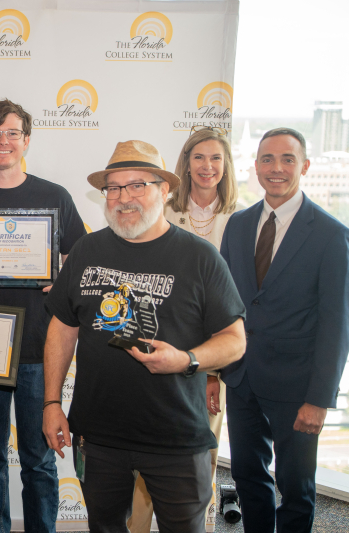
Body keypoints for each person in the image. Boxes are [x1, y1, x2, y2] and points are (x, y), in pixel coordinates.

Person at [42, 140, 246, 532]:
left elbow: (235, 339)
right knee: (104, 526)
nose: (124, 198)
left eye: (138, 185)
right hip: (99, 435)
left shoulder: (200, 257)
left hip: (177, 436)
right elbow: (63, 327)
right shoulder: (86, 250)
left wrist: (186, 360)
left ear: (165, 189)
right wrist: (52, 402)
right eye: (114, 188)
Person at [0, 99, 87, 532]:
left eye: (12, 133)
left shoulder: (54, 196)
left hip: (40, 347)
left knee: (38, 459)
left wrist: (58, 275)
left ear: (26, 140)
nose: (2, 141)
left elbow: (81, 263)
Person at [220, 127, 349, 532]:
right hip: (241, 378)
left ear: (305, 166)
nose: (276, 168)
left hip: (297, 388)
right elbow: (223, 306)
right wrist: (213, 372)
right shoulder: (238, 225)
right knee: (247, 476)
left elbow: (337, 324)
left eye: (287, 159)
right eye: (268, 159)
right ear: (256, 167)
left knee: (296, 487)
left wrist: (319, 399)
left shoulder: (331, 235)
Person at [128, 126, 243, 533]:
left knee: (200, 458)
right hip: (155, 347)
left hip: (211, 357)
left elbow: (234, 307)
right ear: (186, 164)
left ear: (226, 166)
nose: (207, 166)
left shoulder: (241, 221)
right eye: (199, 157)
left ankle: (199, 526)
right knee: (144, 456)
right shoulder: (160, 210)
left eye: (216, 158)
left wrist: (212, 372)